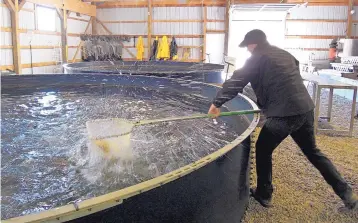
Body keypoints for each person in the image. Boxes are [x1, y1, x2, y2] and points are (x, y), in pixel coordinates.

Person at [208, 29, 357, 210]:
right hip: (305, 109)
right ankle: (346, 193)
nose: (247, 50)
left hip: (284, 115)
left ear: (253, 44)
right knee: (313, 152)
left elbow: (237, 81)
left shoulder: (256, 57)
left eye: (247, 46)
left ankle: (264, 193)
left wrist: (216, 103)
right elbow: (290, 73)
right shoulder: (284, 54)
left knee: (263, 148)